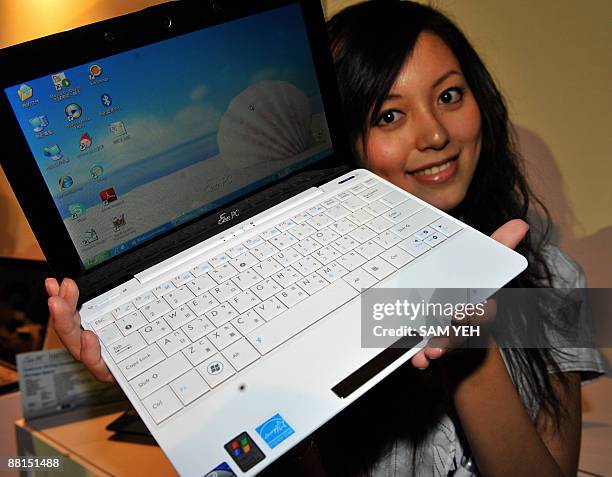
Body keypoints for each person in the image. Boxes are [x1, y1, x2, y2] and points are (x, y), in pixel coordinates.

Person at [46, 1, 606, 476]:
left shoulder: (553, 282)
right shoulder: (313, 297)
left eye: (450, 95)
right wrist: (168, 385)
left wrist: (468, 344)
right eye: (389, 115)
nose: (435, 133)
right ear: (342, 142)